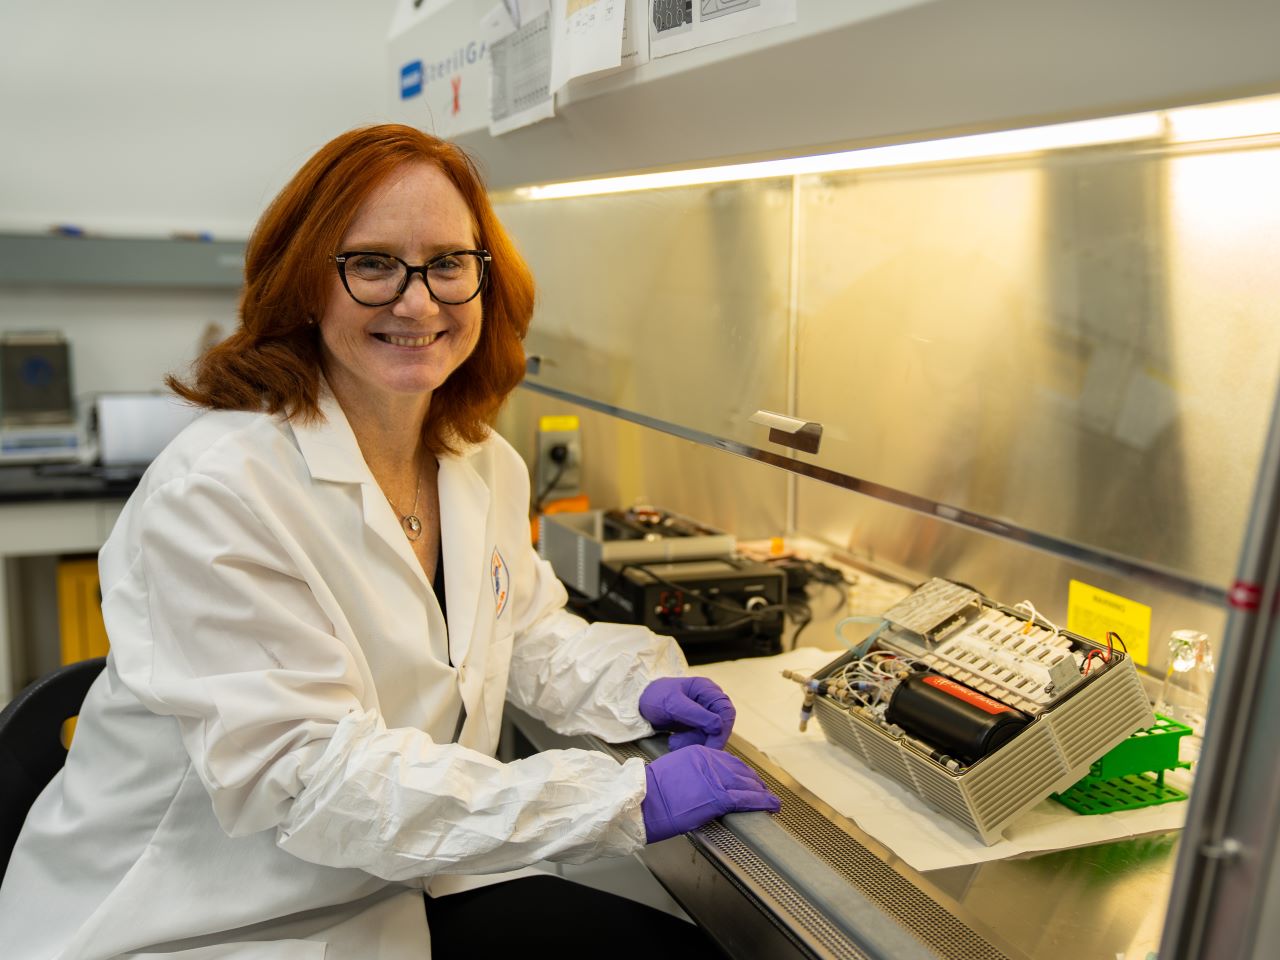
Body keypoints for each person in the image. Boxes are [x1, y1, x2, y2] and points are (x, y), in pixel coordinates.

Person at [0, 124, 779, 959]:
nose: (418, 301)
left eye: (449, 263)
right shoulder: (220, 491)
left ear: (486, 278)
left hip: (380, 892)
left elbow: (517, 632)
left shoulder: (478, 460)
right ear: (307, 285)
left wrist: (633, 690)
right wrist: (619, 802)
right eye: (373, 264)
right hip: (190, 925)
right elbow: (317, 785)